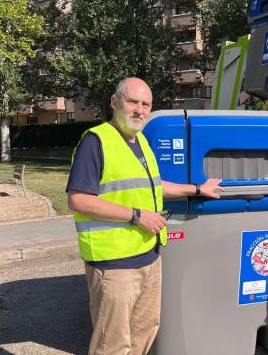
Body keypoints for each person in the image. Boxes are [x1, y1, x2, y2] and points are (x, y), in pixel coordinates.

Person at [66, 77, 222, 355]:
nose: (140, 110)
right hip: (114, 264)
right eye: (133, 102)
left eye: (145, 104)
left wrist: (198, 188)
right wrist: (138, 216)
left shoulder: (139, 143)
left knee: (145, 331)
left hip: (148, 256)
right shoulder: (96, 141)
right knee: (112, 344)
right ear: (115, 102)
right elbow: (78, 200)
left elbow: (154, 185)